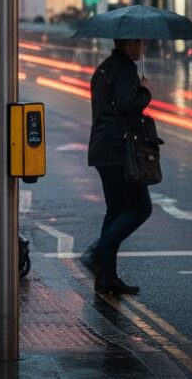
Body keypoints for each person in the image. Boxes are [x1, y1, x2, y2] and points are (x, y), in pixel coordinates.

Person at [81, 38, 153, 295]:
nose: (144, 48)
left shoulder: (104, 68)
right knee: (140, 208)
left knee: (116, 211)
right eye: (141, 43)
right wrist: (145, 92)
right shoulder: (124, 69)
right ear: (130, 44)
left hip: (103, 149)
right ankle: (98, 253)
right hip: (119, 150)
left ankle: (106, 278)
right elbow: (127, 106)